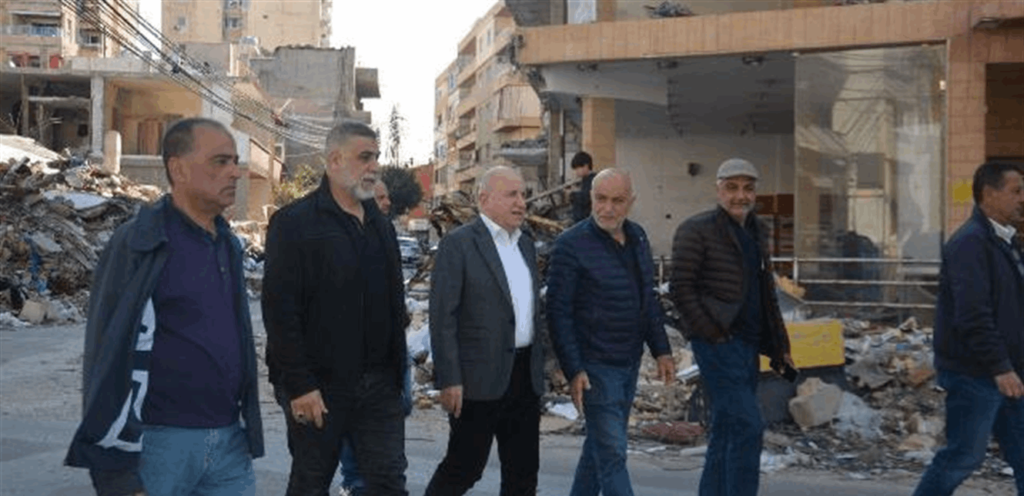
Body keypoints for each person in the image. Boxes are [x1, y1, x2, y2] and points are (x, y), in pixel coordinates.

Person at [65, 117, 264, 496]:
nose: (235, 172)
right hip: (158, 444)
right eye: (220, 162)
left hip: (228, 441)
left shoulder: (229, 245)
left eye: (234, 161)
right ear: (178, 168)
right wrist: (116, 474)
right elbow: (106, 352)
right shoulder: (140, 242)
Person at [262, 120, 410, 495]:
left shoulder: (380, 225)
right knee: (311, 483)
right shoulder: (294, 223)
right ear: (334, 160)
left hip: (378, 387)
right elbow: (281, 312)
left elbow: (393, 302)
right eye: (364, 157)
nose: (374, 167)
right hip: (319, 388)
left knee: (389, 483)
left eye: (375, 157)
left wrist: (396, 376)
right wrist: (299, 385)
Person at [669, 158, 795, 496]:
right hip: (718, 346)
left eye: (748, 188)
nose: (741, 196)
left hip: (749, 346)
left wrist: (780, 343)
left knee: (726, 430)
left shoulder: (757, 230)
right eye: (732, 188)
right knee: (747, 426)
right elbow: (681, 288)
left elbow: (766, 291)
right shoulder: (696, 229)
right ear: (718, 190)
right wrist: (711, 333)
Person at [546, 168, 675, 496]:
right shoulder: (570, 244)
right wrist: (574, 369)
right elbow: (558, 313)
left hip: (628, 361)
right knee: (613, 453)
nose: (608, 208)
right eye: (601, 199)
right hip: (594, 367)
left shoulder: (639, 237)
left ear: (630, 202)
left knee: (599, 449)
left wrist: (661, 349)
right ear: (591, 199)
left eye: (617, 201)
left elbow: (647, 298)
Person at [425, 166, 545, 496]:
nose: (521, 202)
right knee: (463, 469)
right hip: (476, 380)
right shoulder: (459, 244)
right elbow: (442, 317)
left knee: (523, 475)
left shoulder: (526, 245)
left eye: (524, 195)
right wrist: (449, 379)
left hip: (523, 378)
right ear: (484, 199)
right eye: (512, 195)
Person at [912, 161, 1024, 496]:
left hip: (1009, 373)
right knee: (964, 456)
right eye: (1016, 191)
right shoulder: (970, 244)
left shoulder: (1005, 242)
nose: (1023, 199)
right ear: (989, 195)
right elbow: (973, 315)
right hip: (978, 375)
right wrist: (1000, 367)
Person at [336, 177, 412, 496]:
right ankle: (354, 484)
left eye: (385, 198)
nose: (385, 203)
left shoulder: (386, 236)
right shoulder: (346, 241)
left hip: (388, 357)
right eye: (378, 198)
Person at [569, 151, 597, 224]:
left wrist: (572, 194)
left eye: (578, 168)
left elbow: (586, 197)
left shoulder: (593, 180)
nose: (576, 172)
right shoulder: (585, 180)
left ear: (586, 166)